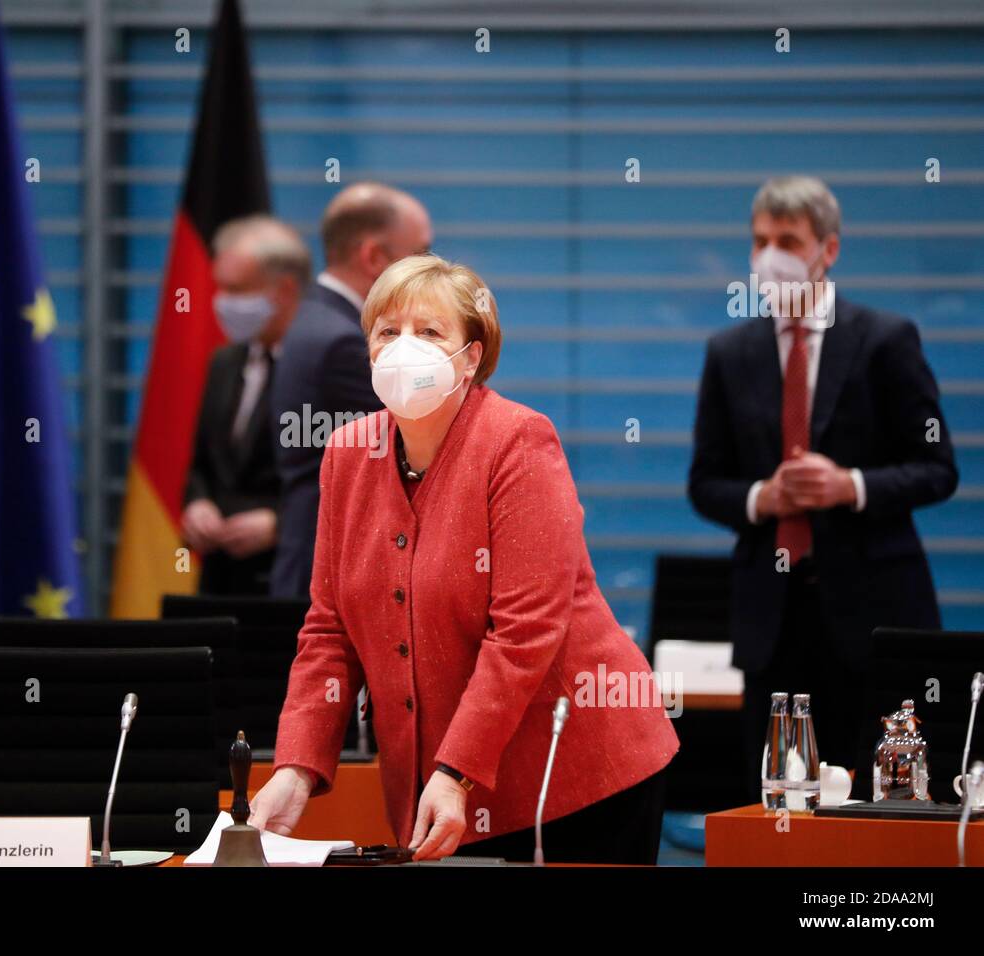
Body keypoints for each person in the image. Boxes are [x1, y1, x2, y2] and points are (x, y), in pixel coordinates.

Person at [249, 255, 679, 863]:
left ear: (471, 356)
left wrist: (456, 772)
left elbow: (525, 632)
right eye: (387, 332)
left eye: (429, 333)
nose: (404, 348)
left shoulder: (518, 441)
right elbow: (329, 630)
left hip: (575, 770)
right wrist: (296, 764)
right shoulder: (347, 453)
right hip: (436, 790)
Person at [687, 176, 958, 795]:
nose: (769, 257)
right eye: (759, 242)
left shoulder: (885, 339)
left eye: (788, 240)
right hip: (772, 621)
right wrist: (765, 498)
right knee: (781, 804)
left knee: (884, 803)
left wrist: (850, 486)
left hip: (874, 615)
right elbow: (704, 484)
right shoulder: (730, 352)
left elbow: (939, 468)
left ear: (827, 250)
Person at [268, 183, 433, 598]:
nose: (431, 273)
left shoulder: (314, 319)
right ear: (374, 257)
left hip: (309, 562)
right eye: (421, 255)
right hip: (331, 576)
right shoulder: (348, 342)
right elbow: (416, 450)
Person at [181, 216, 309, 595]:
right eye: (221, 288)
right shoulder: (224, 362)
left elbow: (349, 481)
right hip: (219, 579)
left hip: (292, 583)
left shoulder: (327, 368)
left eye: (238, 290)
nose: (223, 303)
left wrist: (280, 525)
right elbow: (202, 462)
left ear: (285, 289)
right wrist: (198, 503)